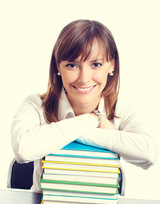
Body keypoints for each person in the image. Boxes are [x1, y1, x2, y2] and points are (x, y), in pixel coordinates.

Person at [11, 19, 159, 194]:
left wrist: (69, 132)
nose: (83, 78)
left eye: (96, 64)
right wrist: (93, 120)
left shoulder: (123, 109)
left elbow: (149, 154)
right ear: (58, 66)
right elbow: (23, 150)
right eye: (72, 65)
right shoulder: (36, 104)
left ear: (112, 65)